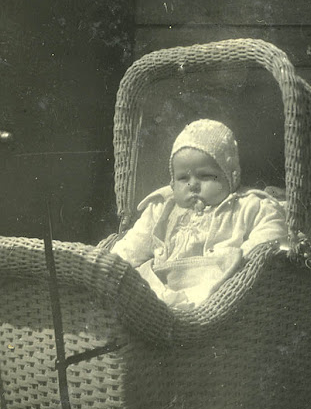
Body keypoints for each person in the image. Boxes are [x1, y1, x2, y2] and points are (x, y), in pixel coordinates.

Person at [108, 119, 289, 310]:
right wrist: (110, 266)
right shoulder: (162, 208)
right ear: (172, 182)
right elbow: (132, 247)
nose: (192, 184)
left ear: (231, 177)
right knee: (132, 278)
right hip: (159, 291)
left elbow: (272, 230)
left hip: (220, 290)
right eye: (183, 178)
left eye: (205, 176)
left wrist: (239, 262)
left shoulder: (248, 205)